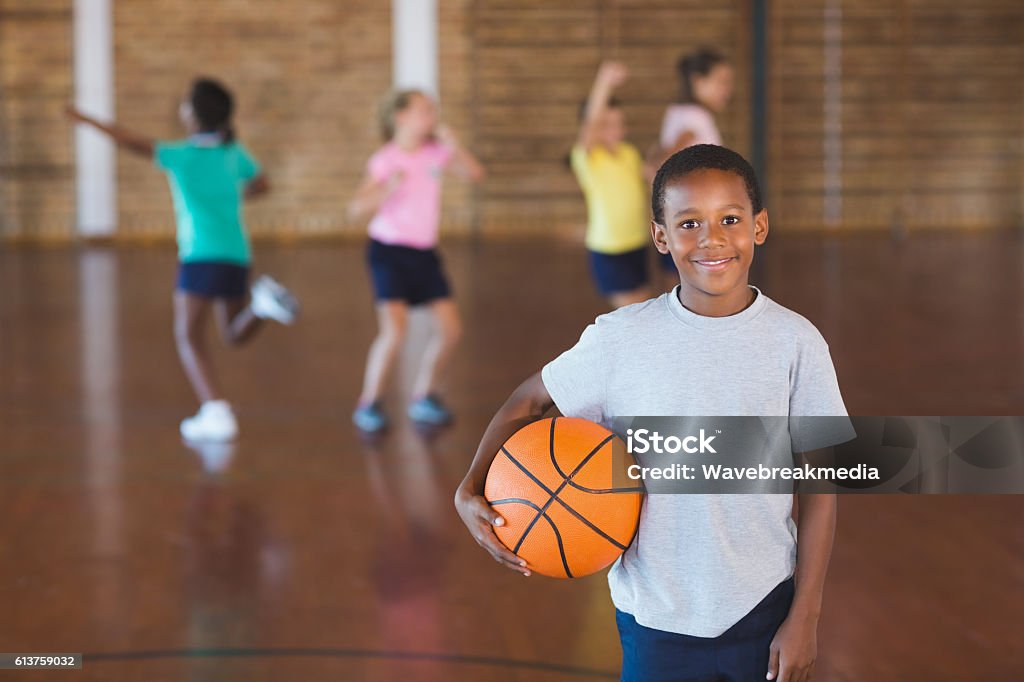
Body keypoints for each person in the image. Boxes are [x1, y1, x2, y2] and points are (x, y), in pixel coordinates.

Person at [456, 145, 848, 682]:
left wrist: (806, 614)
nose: (711, 238)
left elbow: (822, 485)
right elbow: (530, 400)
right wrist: (471, 485)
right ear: (660, 236)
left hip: (765, 607)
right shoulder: (621, 339)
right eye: (689, 223)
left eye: (730, 219)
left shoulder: (796, 343)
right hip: (654, 617)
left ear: (758, 226)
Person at [68, 77, 299, 442]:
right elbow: (263, 183)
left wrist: (87, 121)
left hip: (200, 255)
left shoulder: (182, 155)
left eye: (185, 105)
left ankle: (216, 410)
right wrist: (234, 195)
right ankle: (263, 305)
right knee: (232, 333)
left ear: (194, 116)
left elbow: (128, 140)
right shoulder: (233, 153)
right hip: (237, 253)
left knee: (188, 335)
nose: (181, 110)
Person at [348, 89, 485, 433]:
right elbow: (355, 207)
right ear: (401, 117)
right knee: (395, 332)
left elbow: (474, 175)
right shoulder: (385, 159)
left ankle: (424, 395)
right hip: (388, 252)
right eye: (424, 111)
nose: (432, 118)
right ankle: (369, 402)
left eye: (433, 111)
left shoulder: (436, 154)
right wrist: (387, 189)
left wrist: (454, 144)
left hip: (424, 253)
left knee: (451, 331)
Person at [571, 61, 655, 308]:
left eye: (619, 123)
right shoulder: (587, 157)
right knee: (631, 314)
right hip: (609, 247)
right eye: (606, 125)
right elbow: (591, 123)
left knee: (644, 305)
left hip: (637, 242)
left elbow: (649, 178)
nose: (616, 130)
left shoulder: (629, 153)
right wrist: (604, 82)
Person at [649, 48, 735, 282]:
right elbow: (666, 156)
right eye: (721, 81)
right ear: (698, 80)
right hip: (691, 214)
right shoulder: (695, 117)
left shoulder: (679, 111)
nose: (727, 89)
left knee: (679, 277)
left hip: (681, 213)